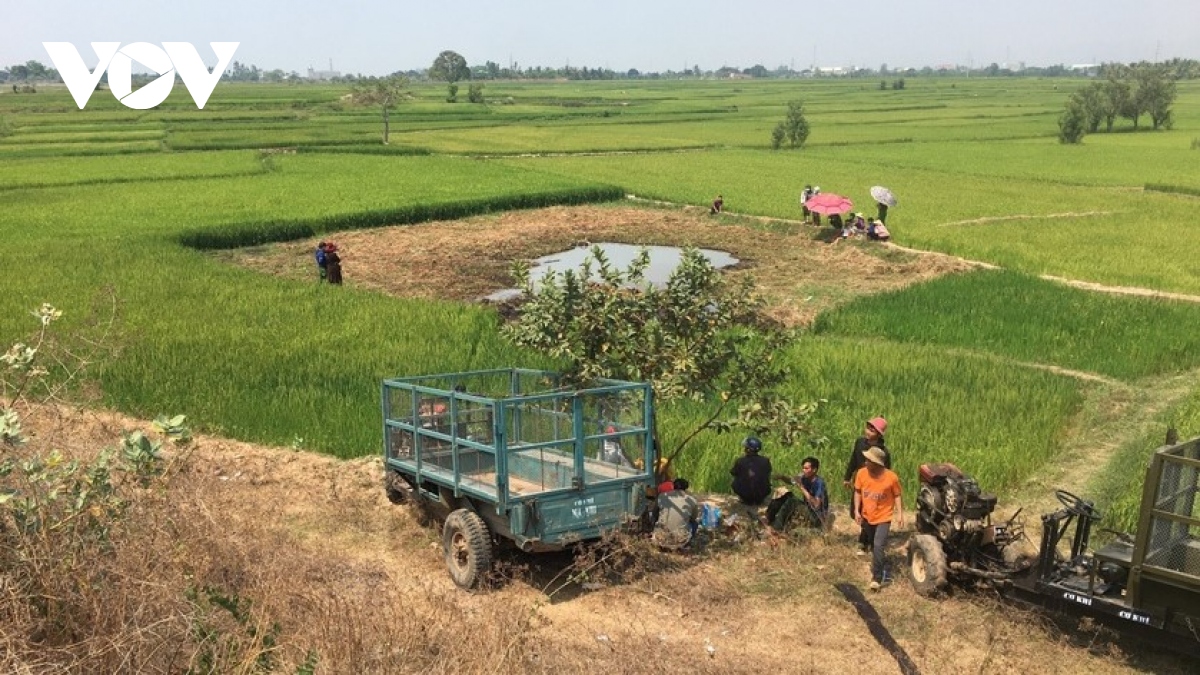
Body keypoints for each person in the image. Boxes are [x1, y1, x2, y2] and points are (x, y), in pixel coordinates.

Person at [853, 447, 903, 590]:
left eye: (868, 460)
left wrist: (899, 514)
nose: (865, 462)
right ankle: (879, 562)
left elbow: (897, 495)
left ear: (876, 463)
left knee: (878, 545)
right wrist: (857, 511)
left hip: (884, 517)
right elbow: (857, 492)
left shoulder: (891, 477)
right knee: (874, 545)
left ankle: (877, 578)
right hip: (867, 516)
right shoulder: (861, 474)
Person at [843, 416, 890, 555]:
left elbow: (886, 472)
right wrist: (847, 477)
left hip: (874, 487)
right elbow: (853, 459)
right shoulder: (859, 443)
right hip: (860, 483)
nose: (868, 431)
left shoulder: (883, 452)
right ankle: (868, 538)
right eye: (868, 428)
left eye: (872, 430)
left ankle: (865, 542)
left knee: (869, 513)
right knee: (855, 512)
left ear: (879, 434)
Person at [768, 456, 829, 531]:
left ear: (814, 470)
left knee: (792, 501)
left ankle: (777, 528)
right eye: (803, 468)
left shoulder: (819, 483)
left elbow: (816, 505)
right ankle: (769, 519)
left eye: (806, 468)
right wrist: (782, 477)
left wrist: (802, 487)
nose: (803, 470)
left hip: (816, 516)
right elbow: (792, 481)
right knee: (784, 495)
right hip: (808, 509)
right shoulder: (804, 477)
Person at [730, 436, 772, 523]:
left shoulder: (740, 461)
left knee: (734, 481)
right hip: (762, 494)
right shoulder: (765, 461)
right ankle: (758, 499)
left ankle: (745, 499)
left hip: (746, 496)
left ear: (748, 449)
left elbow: (733, 472)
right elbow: (768, 472)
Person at [653, 478, 700, 550]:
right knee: (695, 523)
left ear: (673, 486)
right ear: (686, 488)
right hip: (681, 540)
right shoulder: (692, 500)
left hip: (660, 537)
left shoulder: (662, 496)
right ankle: (687, 542)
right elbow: (693, 518)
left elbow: (655, 513)